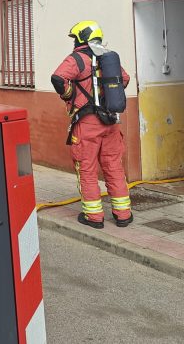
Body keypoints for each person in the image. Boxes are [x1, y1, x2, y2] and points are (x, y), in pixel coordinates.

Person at [51, 20, 133, 229]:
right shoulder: (108, 57)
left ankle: (94, 217)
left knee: (87, 169)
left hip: (88, 123)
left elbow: (58, 79)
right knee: (114, 166)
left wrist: (70, 95)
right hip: (111, 122)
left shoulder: (77, 58)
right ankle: (123, 214)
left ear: (81, 37)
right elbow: (124, 79)